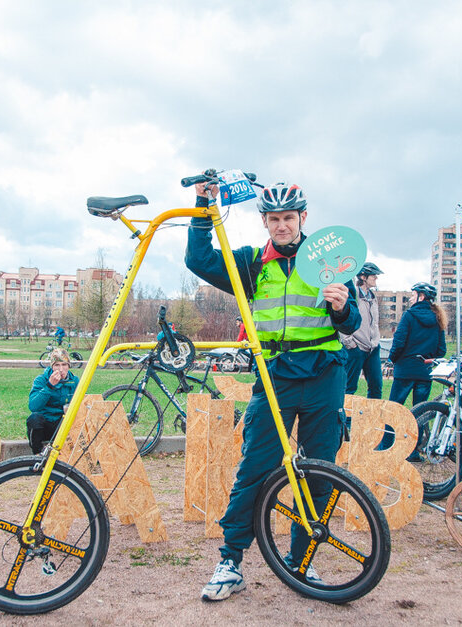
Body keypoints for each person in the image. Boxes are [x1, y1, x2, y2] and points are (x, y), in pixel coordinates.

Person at [185, 180, 361, 602]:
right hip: (275, 374)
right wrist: (203, 204)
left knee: (319, 472)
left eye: (289, 218)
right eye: (274, 219)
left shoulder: (329, 260)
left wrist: (342, 306)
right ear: (264, 221)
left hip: (324, 373)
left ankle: (303, 561)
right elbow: (198, 258)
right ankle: (230, 562)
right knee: (256, 468)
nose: (282, 226)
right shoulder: (250, 264)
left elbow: (352, 325)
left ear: (303, 218)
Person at [388, 282, 447, 406]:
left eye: (412, 295)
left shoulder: (409, 315)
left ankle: (390, 427)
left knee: (394, 409)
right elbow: (441, 350)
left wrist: (392, 359)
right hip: (424, 371)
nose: (410, 299)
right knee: (420, 412)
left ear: (421, 297)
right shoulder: (438, 318)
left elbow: (398, 342)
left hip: (405, 369)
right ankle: (419, 427)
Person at [340, 262, 384, 399]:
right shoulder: (354, 294)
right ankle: (346, 420)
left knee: (376, 386)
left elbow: (374, 323)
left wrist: (376, 341)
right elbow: (344, 318)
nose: (376, 278)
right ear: (363, 276)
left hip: (372, 348)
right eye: (374, 275)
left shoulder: (372, 297)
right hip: (356, 347)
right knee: (349, 387)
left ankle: (373, 419)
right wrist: (350, 343)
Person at [27, 348, 79, 454]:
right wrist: (50, 386)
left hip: (63, 423)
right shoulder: (41, 380)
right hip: (45, 422)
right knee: (34, 418)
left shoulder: (75, 381)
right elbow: (33, 406)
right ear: (52, 367)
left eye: (64, 365)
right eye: (57, 365)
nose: (60, 369)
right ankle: (37, 453)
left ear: (68, 366)